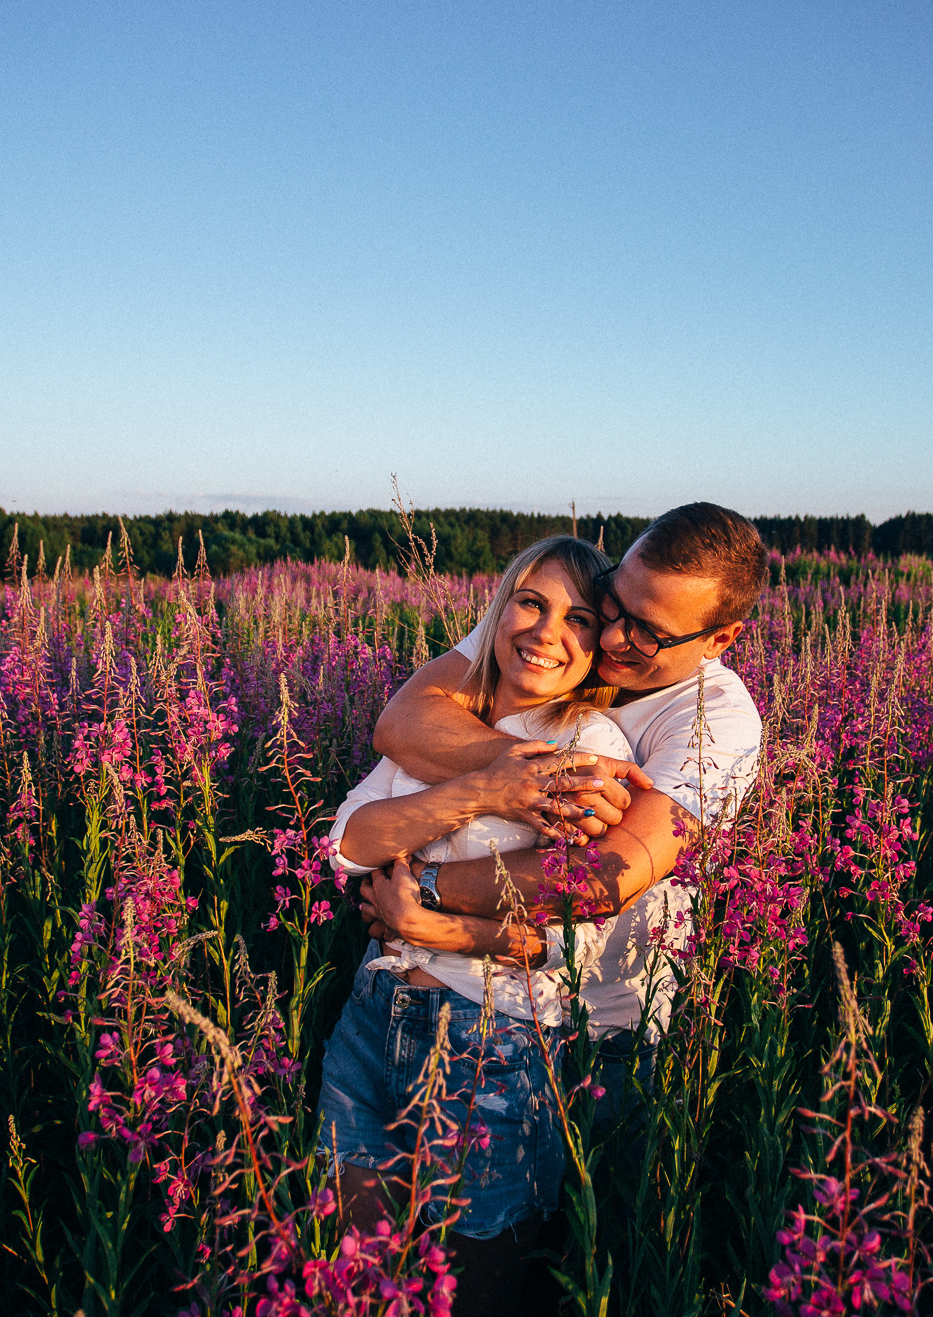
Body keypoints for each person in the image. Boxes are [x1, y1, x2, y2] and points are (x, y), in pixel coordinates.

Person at [351, 504, 769, 1301]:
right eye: (613, 602)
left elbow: (608, 877)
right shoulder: (565, 626)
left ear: (720, 641)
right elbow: (402, 721)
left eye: (645, 633)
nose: (610, 640)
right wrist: (547, 771)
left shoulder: (718, 724)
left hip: (579, 1027)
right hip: (432, 980)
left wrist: (423, 888)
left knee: (504, 1273)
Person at [315, 535, 637, 1312]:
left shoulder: (590, 748)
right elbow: (349, 844)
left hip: (494, 1040)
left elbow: (568, 936)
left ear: (600, 644)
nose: (545, 631)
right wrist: (482, 791)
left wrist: (425, 923)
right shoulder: (446, 721)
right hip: (372, 1021)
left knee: (470, 1291)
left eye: (579, 618)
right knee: (361, 1273)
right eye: (530, 602)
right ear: (498, 610)